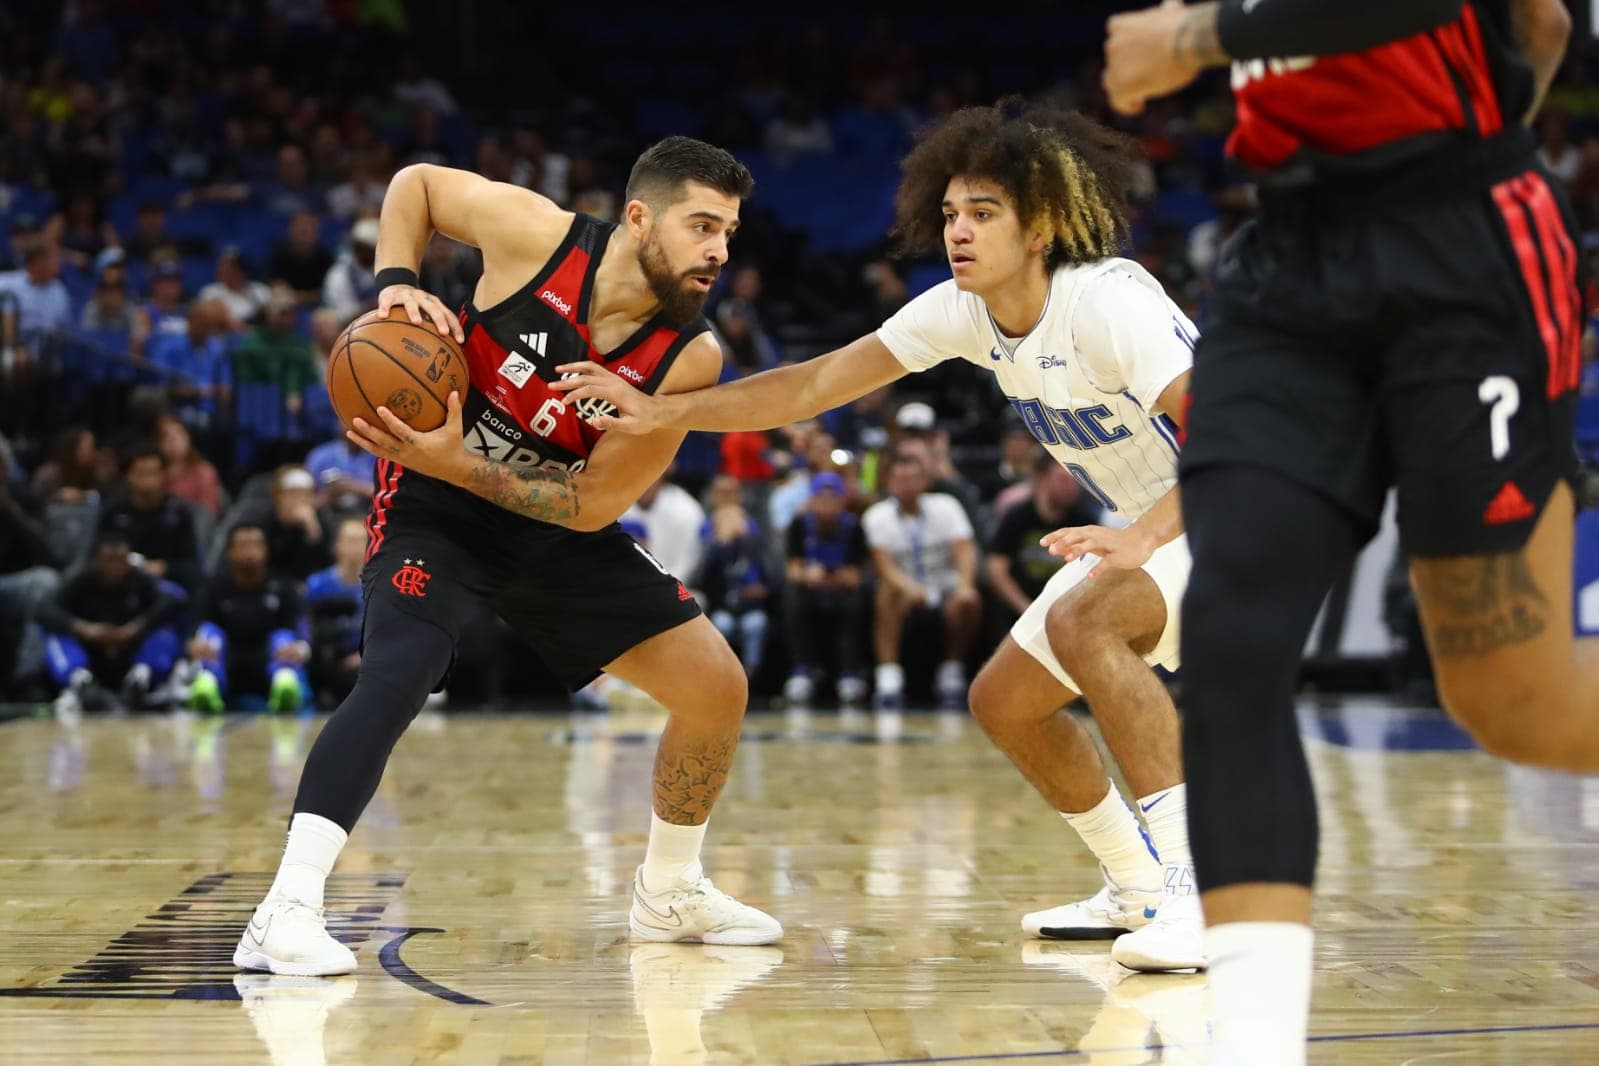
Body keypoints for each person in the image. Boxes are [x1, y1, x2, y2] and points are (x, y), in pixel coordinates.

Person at [554, 100, 1203, 970]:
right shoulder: (965, 313)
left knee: (1084, 626)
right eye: (949, 215)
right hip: (1153, 523)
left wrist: (1144, 537)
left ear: (1042, 225)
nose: (957, 233)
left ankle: (1193, 896)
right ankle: (1135, 885)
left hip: (1248, 507)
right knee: (1004, 701)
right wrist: (654, 407)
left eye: (983, 214)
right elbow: (813, 383)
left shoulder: (1105, 303)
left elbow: (1228, 432)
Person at [1101, 0, 1597, 1061]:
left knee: (1515, 701)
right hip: (1287, 255)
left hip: (1461, 248)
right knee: (1233, 647)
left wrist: (1194, 40)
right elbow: (1541, 29)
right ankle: (1252, 1044)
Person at [233, 136, 780, 978]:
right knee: (398, 670)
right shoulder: (536, 237)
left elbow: (595, 502)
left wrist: (462, 459)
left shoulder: (687, 356)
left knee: (716, 687)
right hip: (435, 507)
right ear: (638, 219)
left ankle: (668, 892)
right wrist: (400, 284)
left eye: (729, 234)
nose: (718, 251)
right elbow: (414, 185)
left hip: (550, 520)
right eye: (701, 226)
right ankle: (285, 911)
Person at [862, 448, 981, 710]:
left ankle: (952, 670)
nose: (905, 485)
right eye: (899, 480)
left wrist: (964, 586)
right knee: (887, 593)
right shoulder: (876, 515)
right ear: (888, 482)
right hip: (904, 587)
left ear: (925, 482)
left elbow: (965, 551)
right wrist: (909, 588)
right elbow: (884, 567)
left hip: (942, 584)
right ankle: (888, 677)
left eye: (912, 479)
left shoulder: (947, 506)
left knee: (969, 600)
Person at [39, 531, 185, 713]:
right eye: (110, 560)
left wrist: (137, 627)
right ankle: (80, 682)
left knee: (165, 632)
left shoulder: (140, 580)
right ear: (96, 561)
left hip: (131, 652)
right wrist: (84, 629)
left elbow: (173, 601)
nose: (116, 567)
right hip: (91, 654)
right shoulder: (79, 581)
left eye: (122, 560)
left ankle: (142, 680)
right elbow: (43, 610)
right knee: (54, 635)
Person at [183, 522, 309, 715]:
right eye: (243, 545)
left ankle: (285, 687)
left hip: (268, 660)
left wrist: (300, 649)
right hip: (227, 661)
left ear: (266, 550)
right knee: (209, 633)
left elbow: (300, 630)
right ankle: (206, 688)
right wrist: (195, 645)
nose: (250, 552)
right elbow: (196, 626)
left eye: (255, 545)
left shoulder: (283, 588)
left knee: (283, 637)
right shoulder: (214, 589)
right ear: (229, 552)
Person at [782, 470, 869, 707]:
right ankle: (802, 671)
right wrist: (809, 575)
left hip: (841, 588)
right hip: (810, 587)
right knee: (794, 598)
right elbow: (793, 569)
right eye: (822, 498)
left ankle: (849, 673)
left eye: (833, 498)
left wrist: (833, 578)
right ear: (812, 500)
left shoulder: (854, 527)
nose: (827, 504)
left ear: (843, 501)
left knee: (854, 602)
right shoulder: (800, 524)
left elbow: (855, 575)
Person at [97, 449, 203, 592]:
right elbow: (95, 554)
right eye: (141, 473)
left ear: (164, 476)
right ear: (129, 476)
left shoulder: (179, 513)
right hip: (119, 582)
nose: (147, 480)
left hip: (165, 583)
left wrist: (165, 567)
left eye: (153, 473)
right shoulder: (113, 511)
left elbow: (191, 565)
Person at [304, 518, 366, 706]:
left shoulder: (380, 586)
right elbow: (307, 627)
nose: (355, 547)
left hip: (364, 660)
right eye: (350, 540)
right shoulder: (316, 584)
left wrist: (364, 656)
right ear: (337, 545)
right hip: (327, 658)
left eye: (361, 540)